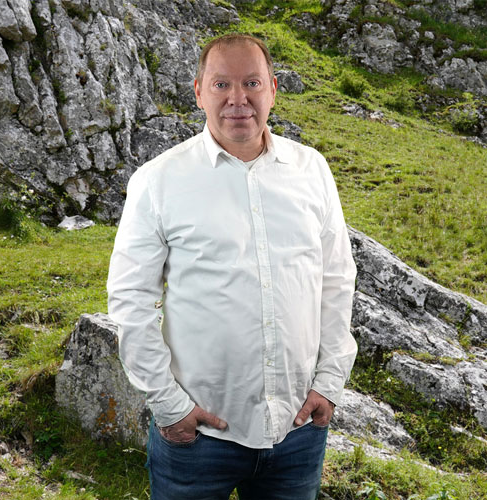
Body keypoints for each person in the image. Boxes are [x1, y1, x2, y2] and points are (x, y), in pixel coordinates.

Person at [107, 33, 358, 500]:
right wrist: (168, 404)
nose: (237, 99)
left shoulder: (312, 170)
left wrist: (330, 381)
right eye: (222, 84)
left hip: (298, 432)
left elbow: (337, 280)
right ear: (198, 90)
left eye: (251, 83)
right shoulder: (158, 181)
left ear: (273, 89)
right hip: (198, 439)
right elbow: (130, 300)